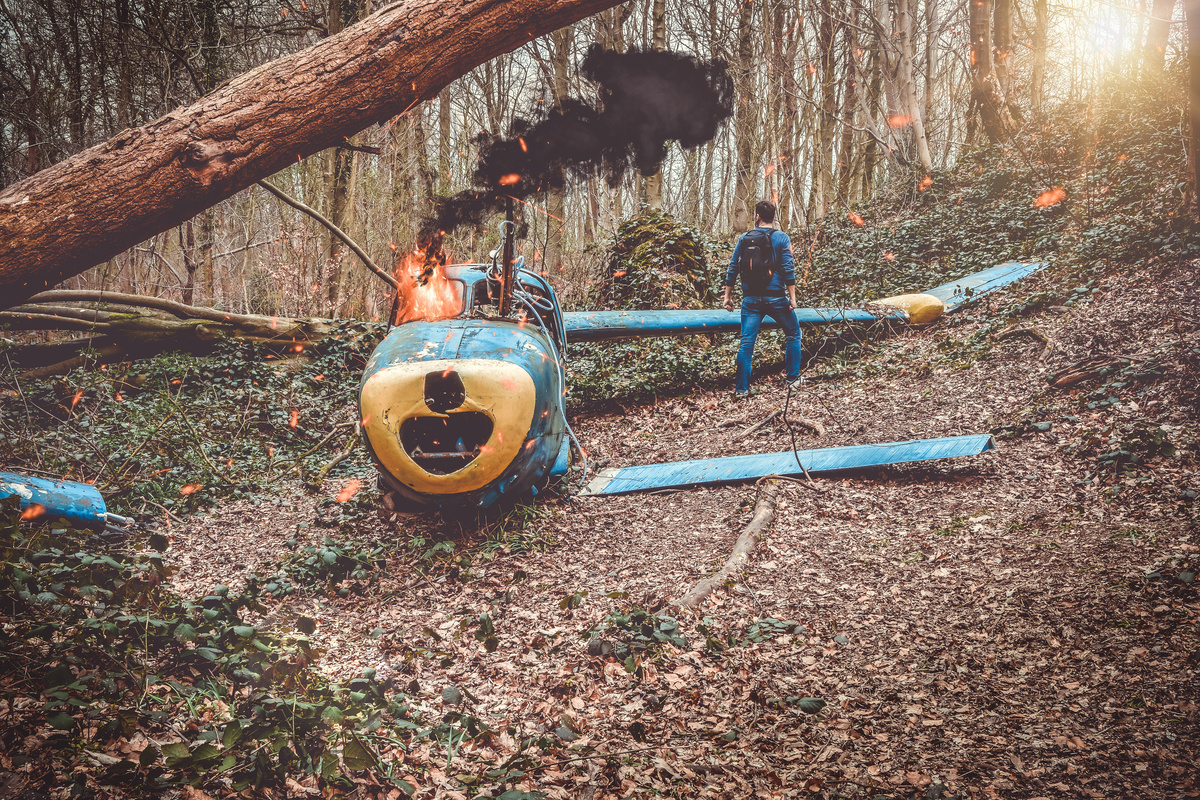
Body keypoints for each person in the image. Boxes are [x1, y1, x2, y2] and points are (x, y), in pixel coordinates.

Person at [722, 200, 802, 399]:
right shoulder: (782, 238)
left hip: (750, 300)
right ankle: (792, 379)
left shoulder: (744, 238)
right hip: (776, 298)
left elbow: (733, 268)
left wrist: (727, 297)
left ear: (757, 217)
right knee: (793, 333)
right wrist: (792, 298)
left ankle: (741, 390)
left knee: (746, 344)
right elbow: (788, 269)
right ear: (773, 217)